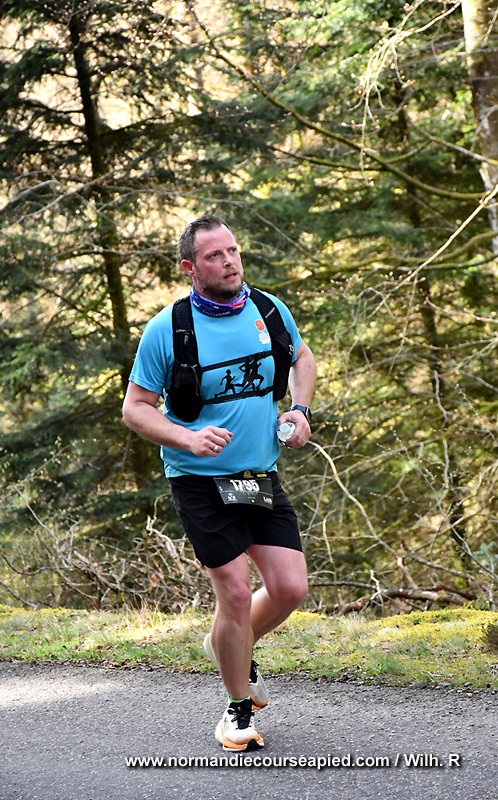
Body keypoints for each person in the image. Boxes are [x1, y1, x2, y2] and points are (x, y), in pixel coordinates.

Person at [122, 215, 316, 751]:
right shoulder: (168, 330)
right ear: (190, 267)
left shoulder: (269, 310)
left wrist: (299, 410)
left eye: (232, 250)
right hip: (199, 480)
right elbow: (136, 409)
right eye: (214, 255)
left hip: (257, 474)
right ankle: (237, 709)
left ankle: (227, 644)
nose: (229, 261)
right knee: (233, 592)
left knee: (290, 588)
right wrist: (186, 438)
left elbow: (301, 358)